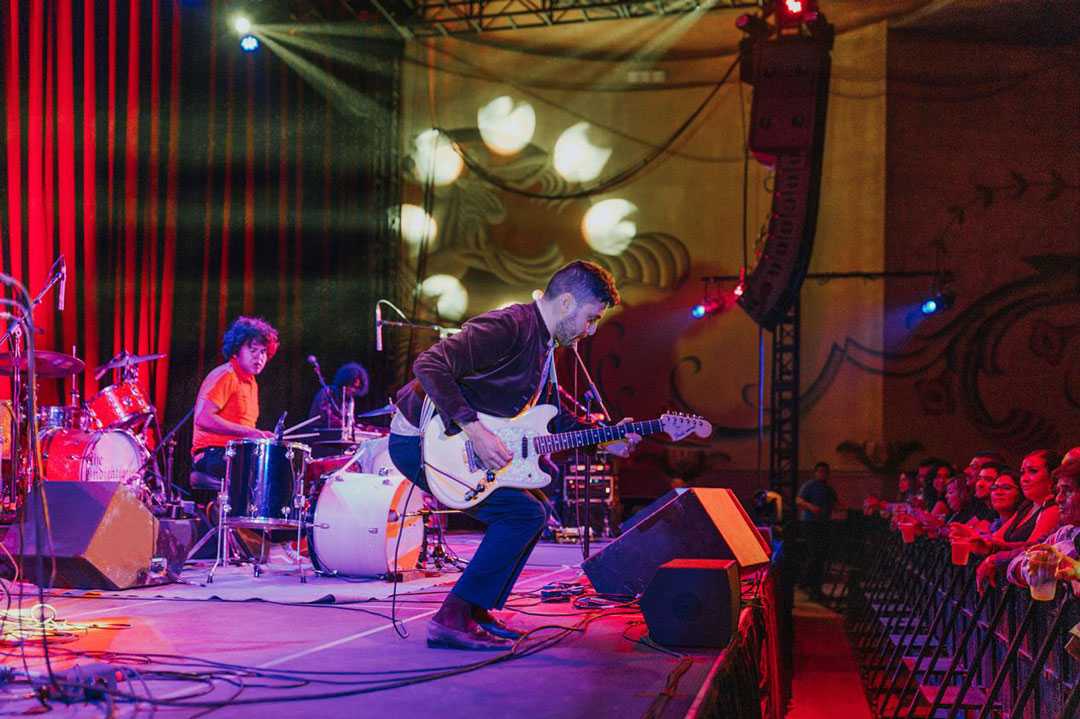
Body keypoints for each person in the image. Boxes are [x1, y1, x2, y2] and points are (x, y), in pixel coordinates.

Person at [387, 260, 638, 650]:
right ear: (568, 302)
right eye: (592, 318)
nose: (591, 330)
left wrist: (609, 438)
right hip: (422, 440)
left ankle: (475, 609)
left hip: (452, 440)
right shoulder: (510, 325)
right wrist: (475, 429)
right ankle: (451, 617)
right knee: (521, 514)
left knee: (534, 511)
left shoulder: (543, 346)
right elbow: (430, 363)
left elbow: (554, 419)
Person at [191, 317, 278, 480]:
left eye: (263, 352)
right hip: (213, 454)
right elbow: (203, 419)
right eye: (253, 350)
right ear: (237, 350)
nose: (259, 358)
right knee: (265, 474)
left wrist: (260, 436)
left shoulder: (251, 382)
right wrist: (250, 432)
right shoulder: (228, 375)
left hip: (233, 453)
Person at [1007, 459, 1080, 596]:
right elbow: (1013, 565)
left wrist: (1069, 562)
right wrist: (1034, 567)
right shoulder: (1067, 532)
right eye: (1058, 491)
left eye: (1068, 491)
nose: (1059, 499)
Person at [796, 461, 837, 601]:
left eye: (825, 472)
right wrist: (811, 507)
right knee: (815, 554)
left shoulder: (828, 489)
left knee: (820, 556)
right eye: (820, 471)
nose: (822, 474)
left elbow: (836, 503)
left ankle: (813, 586)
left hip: (823, 524)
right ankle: (805, 581)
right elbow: (799, 500)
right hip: (810, 523)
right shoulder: (809, 486)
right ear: (815, 472)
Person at [308, 362, 370, 428]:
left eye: (357, 388)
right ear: (345, 381)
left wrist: (359, 427)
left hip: (337, 435)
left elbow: (349, 422)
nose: (354, 390)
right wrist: (340, 423)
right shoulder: (327, 392)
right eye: (352, 386)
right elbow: (324, 414)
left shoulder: (349, 401)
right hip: (319, 433)